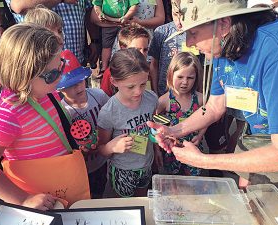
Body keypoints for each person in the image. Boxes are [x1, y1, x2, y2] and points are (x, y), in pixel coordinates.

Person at [147, 0, 278, 189]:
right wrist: (173, 131)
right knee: (246, 191)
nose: (188, 43)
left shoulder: (276, 52)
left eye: (194, 33)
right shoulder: (223, 46)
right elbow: (214, 107)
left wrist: (204, 161)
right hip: (261, 136)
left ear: (224, 24)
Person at [0, 23, 90, 209]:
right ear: (24, 75)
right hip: (35, 202)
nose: (60, 77)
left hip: (61, 184)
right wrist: (23, 199)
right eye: (52, 75)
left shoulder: (43, 91)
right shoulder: (6, 115)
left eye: (61, 65)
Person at [97, 48, 158, 198]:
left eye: (143, 84)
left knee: (142, 201)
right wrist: (112, 147)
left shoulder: (152, 99)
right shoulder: (109, 112)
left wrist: (157, 149)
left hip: (146, 165)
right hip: (122, 170)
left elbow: (153, 128)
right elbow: (100, 148)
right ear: (114, 81)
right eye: (130, 87)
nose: (138, 91)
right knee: (125, 207)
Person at [57, 49, 109, 199]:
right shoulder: (62, 110)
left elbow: (111, 117)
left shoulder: (98, 95)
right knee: (86, 196)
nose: (79, 87)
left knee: (100, 190)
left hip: (102, 160)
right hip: (81, 165)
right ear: (60, 87)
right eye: (71, 85)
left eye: (80, 81)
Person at [155, 52, 206, 176]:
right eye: (180, 77)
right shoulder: (164, 100)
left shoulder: (200, 99)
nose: (184, 82)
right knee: (174, 183)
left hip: (194, 148)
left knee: (193, 182)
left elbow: (207, 119)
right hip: (172, 151)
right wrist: (156, 149)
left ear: (196, 78)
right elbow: (155, 125)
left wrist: (200, 136)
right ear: (171, 75)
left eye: (190, 78)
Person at [92, 0, 139, 78]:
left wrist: (126, 17)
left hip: (125, 23)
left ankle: (126, 64)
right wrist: (100, 14)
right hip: (107, 22)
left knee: (125, 45)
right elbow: (96, 4)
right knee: (106, 45)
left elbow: (134, 5)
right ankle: (104, 67)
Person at [100, 23, 150, 96]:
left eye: (145, 49)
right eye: (136, 49)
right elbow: (104, 97)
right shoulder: (112, 72)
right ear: (123, 48)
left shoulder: (148, 69)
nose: (142, 53)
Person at [148, 21, 186, 96]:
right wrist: (155, 93)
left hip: (191, 96)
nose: (179, 19)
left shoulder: (200, 30)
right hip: (163, 93)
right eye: (176, 13)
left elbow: (202, 68)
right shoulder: (162, 31)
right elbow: (154, 64)